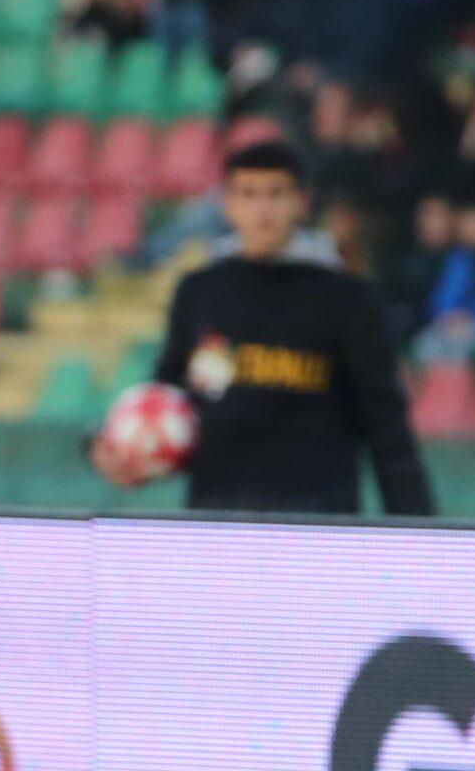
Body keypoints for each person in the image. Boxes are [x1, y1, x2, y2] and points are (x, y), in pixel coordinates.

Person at [97, 141, 434, 515]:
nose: (263, 209)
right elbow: (170, 391)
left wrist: (417, 527)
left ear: (302, 202)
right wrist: (119, 449)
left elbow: (384, 421)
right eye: (248, 194)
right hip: (217, 516)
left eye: (276, 194)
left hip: (317, 521)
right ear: (228, 204)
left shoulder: (346, 297)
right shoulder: (201, 290)